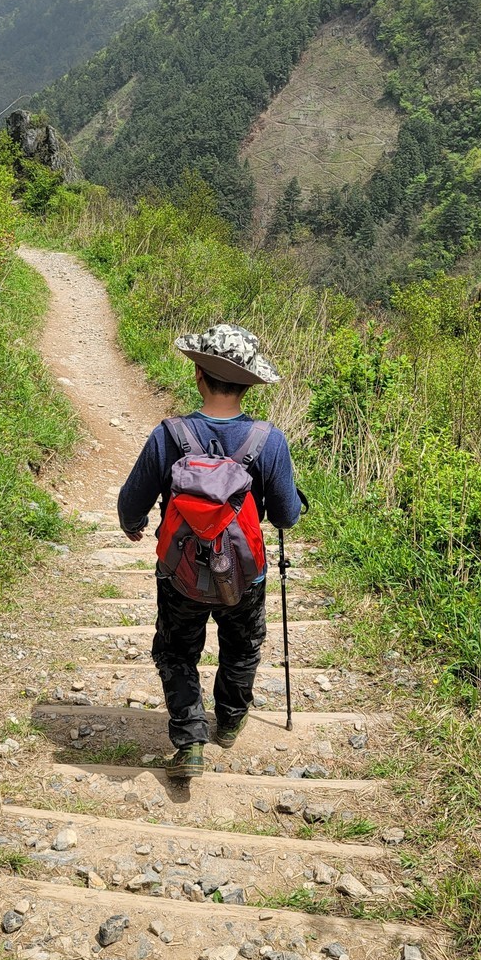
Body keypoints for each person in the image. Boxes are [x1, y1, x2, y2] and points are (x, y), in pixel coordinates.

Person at [117, 324, 303, 779]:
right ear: (248, 384)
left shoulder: (170, 435)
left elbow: (131, 503)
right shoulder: (267, 441)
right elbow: (285, 516)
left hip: (180, 572)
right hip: (244, 574)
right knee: (241, 646)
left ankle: (189, 740)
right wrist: (294, 502)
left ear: (199, 375)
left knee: (177, 651)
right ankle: (231, 720)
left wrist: (134, 525)